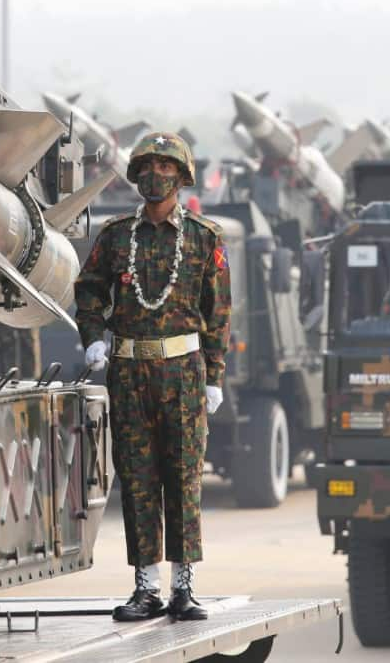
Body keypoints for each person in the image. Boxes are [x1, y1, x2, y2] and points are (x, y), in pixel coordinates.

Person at [74, 131, 230, 621]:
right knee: (138, 480)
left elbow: (219, 312)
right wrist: (93, 335)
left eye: (165, 168)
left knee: (183, 478)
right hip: (127, 372)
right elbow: (89, 289)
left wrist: (215, 377)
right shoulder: (117, 235)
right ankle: (146, 587)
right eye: (146, 167)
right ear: (136, 175)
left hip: (183, 373)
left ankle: (185, 587)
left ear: (181, 178)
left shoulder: (205, 238)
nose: (154, 176)